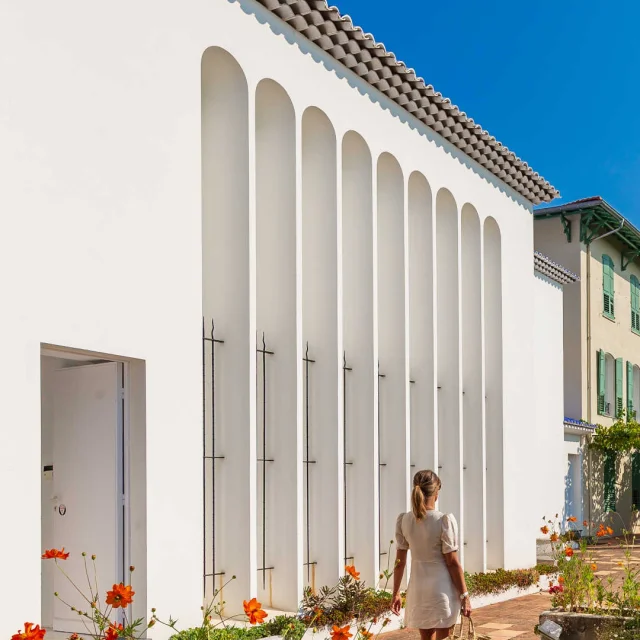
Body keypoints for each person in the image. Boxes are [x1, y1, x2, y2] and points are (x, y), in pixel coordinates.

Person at [391, 470, 471, 640]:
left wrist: (395, 593)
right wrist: (465, 595)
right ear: (436, 493)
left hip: (418, 589)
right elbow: (452, 563)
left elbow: (399, 563)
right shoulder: (443, 520)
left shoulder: (404, 520)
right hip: (442, 590)